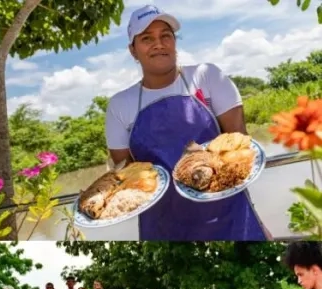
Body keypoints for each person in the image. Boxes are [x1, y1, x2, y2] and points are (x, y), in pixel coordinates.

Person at [104, 5, 266, 241]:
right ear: (133, 50)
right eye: (147, 38)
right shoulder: (120, 105)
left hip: (230, 215)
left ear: (174, 42)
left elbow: (241, 146)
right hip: (162, 227)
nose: (158, 44)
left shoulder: (207, 77)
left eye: (165, 36)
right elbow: (126, 174)